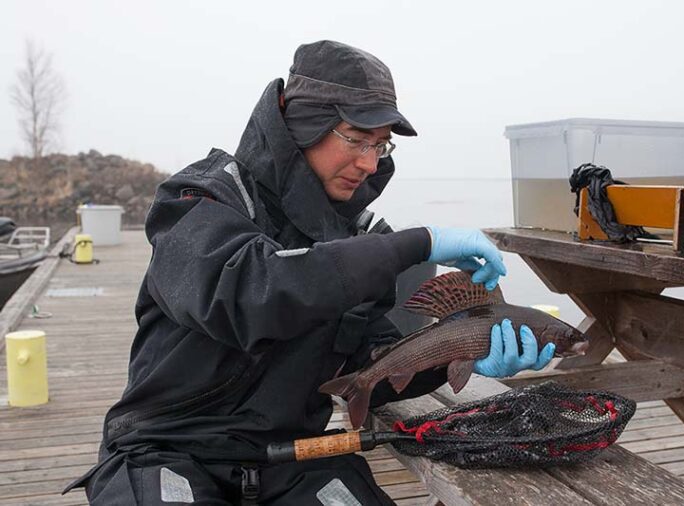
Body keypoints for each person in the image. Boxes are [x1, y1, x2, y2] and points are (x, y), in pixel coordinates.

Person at [64, 40, 554, 505]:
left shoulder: (363, 240)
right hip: (166, 450)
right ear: (299, 125)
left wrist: (456, 354)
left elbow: (369, 373)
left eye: (380, 146)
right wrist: (418, 243)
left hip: (293, 460)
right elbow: (255, 292)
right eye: (357, 139)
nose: (368, 163)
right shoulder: (201, 201)